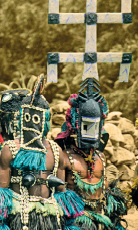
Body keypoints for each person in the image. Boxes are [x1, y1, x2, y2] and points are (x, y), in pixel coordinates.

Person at [0, 75, 82, 230]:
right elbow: (1, 191)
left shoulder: (55, 150)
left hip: (50, 218)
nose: (33, 123)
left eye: (37, 119)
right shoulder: (11, 149)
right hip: (20, 217)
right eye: (29, 118)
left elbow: (61, 192)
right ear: (22, 118)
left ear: (45, 120)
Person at [55, 78, 127, 230]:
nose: (90, 132)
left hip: (101, 219)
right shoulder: (65, 157)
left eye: (94, 126)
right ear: (76, 124)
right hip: (76, 221)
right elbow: (59, 194)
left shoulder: (101, 157)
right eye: (87, 125)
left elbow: (104, 187)